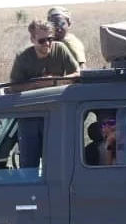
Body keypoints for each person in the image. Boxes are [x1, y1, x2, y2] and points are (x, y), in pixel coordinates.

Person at [9, 19, 81, 168]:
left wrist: (54, 82)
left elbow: (77, 74)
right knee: (29, 163)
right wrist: (38, 84)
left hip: (56, 112)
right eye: (42, 41)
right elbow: (14, 88)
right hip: (30, 113)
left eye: (50, 39)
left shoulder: (60, 49)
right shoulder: (23, 58)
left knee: (57, 161)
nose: (47, 44)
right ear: (32, 40)